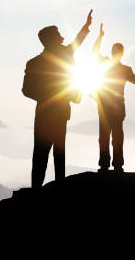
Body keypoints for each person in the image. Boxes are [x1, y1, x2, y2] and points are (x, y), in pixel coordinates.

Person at [22, 10, 93, 188]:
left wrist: (86, 27)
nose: (62, 36)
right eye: (58, 34)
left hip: (52, 113)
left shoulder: (38, 61)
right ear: (51, 39)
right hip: (55, 112)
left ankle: (41, 189)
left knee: (49, 153)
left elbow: (77, 43)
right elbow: (27, 90)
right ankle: (49, 190)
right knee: (49, 153)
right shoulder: (38, 62)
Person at [91, 23, 135, 172]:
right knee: (116, 137)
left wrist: (100, 37)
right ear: (122, 53)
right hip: (117, 107)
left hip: (104, 106)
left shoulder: (105, 63)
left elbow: (94, 52)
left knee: (104, 137)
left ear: (113, 52)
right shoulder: (125, 69)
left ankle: (104, 165)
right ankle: (117, 165)